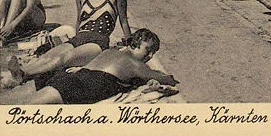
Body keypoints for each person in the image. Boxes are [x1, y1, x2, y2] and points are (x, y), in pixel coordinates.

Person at [7, 0, 132, 86]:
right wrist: (74, 41)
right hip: (79, 37)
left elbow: (123, 21)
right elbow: (79, 21)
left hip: (98, 41)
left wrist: (130, 46)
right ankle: (21, 72)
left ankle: (24, 74)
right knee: (48, 56)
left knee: (63, 59)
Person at [26, 29, 177, 105]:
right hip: (83, 87)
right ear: (135, 45)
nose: (150, 56)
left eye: (153, 52)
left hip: (72, 77)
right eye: (148, 50)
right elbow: (169, 80)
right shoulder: (136, 65)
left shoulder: (112, 51)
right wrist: (158, 77)